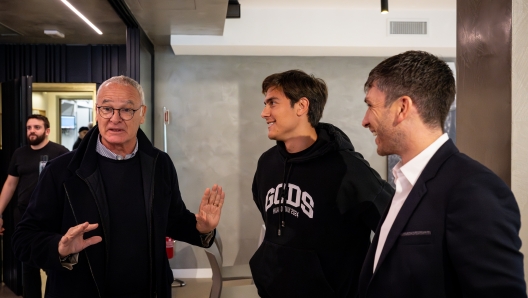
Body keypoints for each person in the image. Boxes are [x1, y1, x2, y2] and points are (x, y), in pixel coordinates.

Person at [12, 75, 225, 298]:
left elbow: (173, 219)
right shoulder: (61, 171)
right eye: (107, 109)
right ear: (97, 112)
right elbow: (23, 238)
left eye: (126, 110)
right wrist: (59, 247)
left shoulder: (159, 164)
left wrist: (201, 228)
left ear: (142, 114)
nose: (115, 118)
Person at [357, 51, 526, 297]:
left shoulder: (473, 189)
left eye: (371, 106)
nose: (365, 121)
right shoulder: (404, 184)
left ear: (402, 107)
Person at [250, 69, 393, 297]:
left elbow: (395, 224)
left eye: (272, 103)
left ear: (301, 106)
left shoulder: (349, 169)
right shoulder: (267, 163)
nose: (264, 112)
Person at [0, 114, 69, 298]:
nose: (32, 131)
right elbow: (10, 184)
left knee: (52, 263)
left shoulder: (60, 152)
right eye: (29, 127)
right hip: (23, 216)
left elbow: (69, 185)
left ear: (47, 131)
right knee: (28, 266)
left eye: (37, 127)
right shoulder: (19, 154)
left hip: (51, 217)